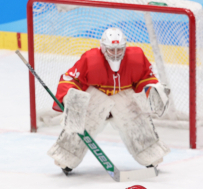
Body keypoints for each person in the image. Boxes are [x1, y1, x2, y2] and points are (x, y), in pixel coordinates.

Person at [47, 27, 170, 176]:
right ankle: (66, 158)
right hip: (96, 97)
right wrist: (68, 96)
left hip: (124, 97)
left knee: (136, 119)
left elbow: (146, 77)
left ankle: (150, 156)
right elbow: (71, 79)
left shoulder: (136, 57)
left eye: (119, 49)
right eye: (112, 50)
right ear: (103, 48)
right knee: (81, 117)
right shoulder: (90, 59)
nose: (116, 53)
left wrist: (151, 89)